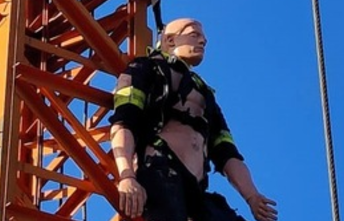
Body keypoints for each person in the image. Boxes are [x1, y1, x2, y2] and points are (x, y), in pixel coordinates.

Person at [109, 18, 278, 221]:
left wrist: (252, 196)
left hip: (196, 190)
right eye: (194, 35)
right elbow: (124, 122)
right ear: (170, 40)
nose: (202, 41)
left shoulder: (204, 94)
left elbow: (227, 153)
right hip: (161, 172)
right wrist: (126, 176)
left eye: (204, 39)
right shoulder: (146, 69)